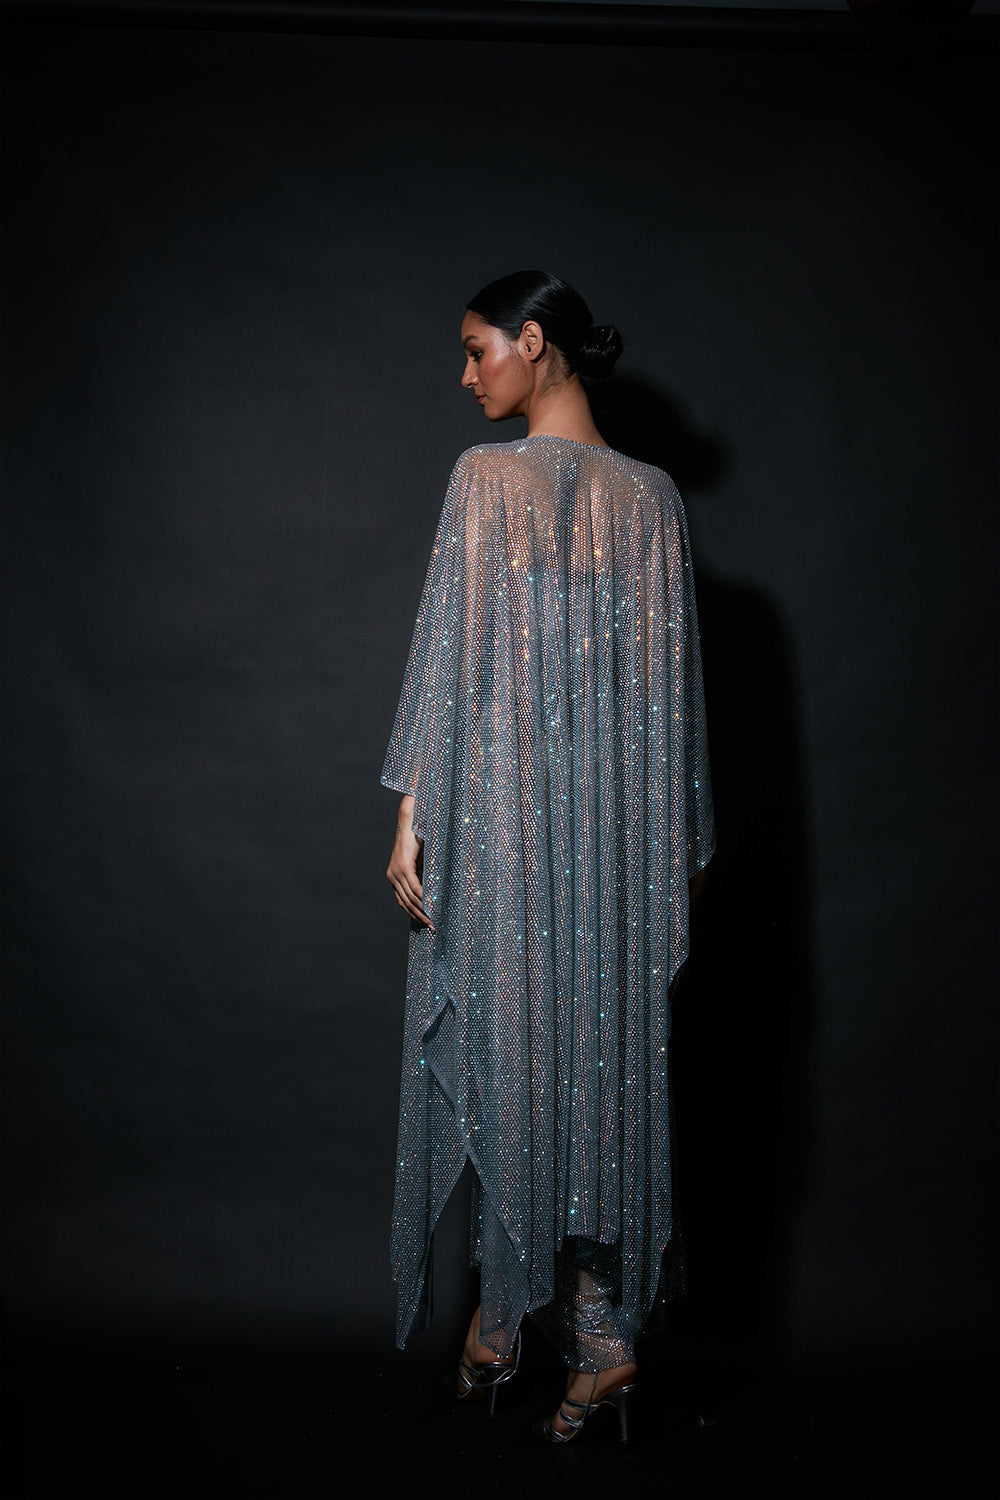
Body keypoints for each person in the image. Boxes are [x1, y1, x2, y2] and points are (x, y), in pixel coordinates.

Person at [383, 270, 714, 1443]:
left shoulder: (487, 480)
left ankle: (516, 1330)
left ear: (534, 342)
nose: (465, 374)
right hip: (614, 843)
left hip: (512, 830)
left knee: (519, 1049)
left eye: (478, 349)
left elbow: (450, 661)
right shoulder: (653, 499)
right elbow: (667, 713)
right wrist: (661, 855)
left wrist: (414, 813)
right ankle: (588, 1335)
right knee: (588, 1066)